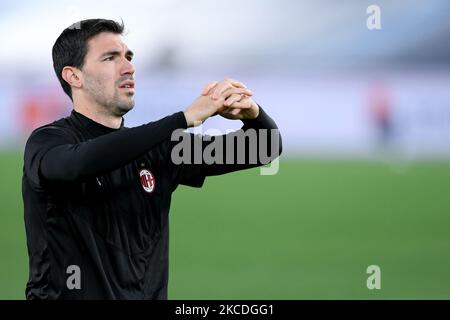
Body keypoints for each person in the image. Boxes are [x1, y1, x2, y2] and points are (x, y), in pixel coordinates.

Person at [22, 18, 282, 300]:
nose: (128, 67)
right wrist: (182, 119)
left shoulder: (159, 149)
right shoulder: (48, 141)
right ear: (74, 76)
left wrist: (252, 112)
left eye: (129, 57)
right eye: (110, 58)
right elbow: (76, 164)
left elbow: (263, 147)